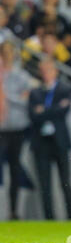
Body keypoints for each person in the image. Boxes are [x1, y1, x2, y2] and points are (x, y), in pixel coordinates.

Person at [28, 57, 71, 220]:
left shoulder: (65, 88)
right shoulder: (35, 92)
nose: (46, 74)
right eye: (43, 71)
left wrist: (44, 110)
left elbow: (64, 111)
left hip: (60, 141)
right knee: (45, 185)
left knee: (66, 182)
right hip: (41, 142)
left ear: (55, 71)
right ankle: (49, 219)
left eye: (49, 70)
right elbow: (33, 115)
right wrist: (54, 109)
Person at [0, 41, 32, 220]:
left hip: (17, 128)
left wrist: (5, 96)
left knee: (14, 168)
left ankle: (13, 211)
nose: (7, 56)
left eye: (9, 52)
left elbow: (26, 100)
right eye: (4, 52)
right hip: (1, 128)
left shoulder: (22, 75)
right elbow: (21, 98)